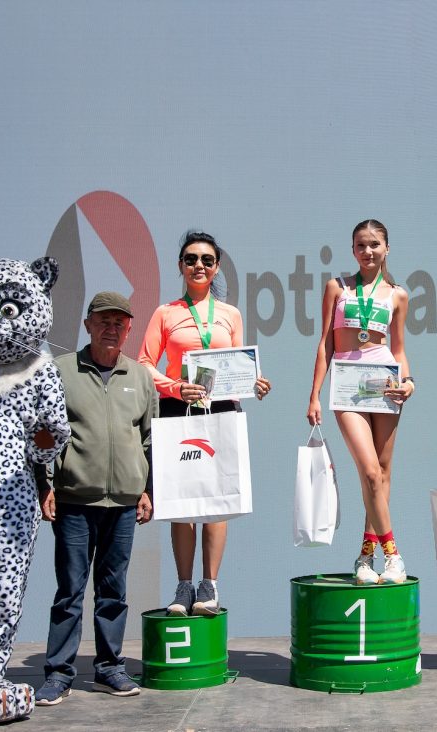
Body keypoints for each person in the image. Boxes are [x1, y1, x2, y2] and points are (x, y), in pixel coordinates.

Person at [139, 231, 271, 617]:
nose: (199, 265)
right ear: (181, 265)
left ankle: (209, 585)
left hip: (222, 411)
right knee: (181, 501)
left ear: (216, 268)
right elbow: (145, 364)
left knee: (218, 499)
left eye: (207, 260)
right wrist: (175, 387)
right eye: (191, 259)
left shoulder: (231, 314)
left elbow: (238, 364)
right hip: (177, 411)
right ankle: (184, 586)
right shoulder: (165, 313)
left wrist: (254, 383)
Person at [35, 291, 157, 706]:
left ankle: (109, 669)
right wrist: (45, 484)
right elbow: (43, 433)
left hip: (123, 502)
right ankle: (58, 674)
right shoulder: (60, 371)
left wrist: (148, 489)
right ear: (88, 325)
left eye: (119, 323)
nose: (111, 328)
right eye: (104, 321)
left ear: (128, 329)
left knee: (113, 591)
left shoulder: (140, 376)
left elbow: (149, 439)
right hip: (74, 499)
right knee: (69, 591)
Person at [307, 219, 415, 584]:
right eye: (360, 245)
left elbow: (398, 349)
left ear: (387, 248)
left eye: (374, 244)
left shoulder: (398, 295)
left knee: (382, 473)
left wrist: (409, 382)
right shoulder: (337, 287)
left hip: (385, 385)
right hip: (347, 386)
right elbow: (326, 343)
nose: (367, 251)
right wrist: (314, 395)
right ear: (352, 249)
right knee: (369, 471)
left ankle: (366, 557)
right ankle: (393, 554)